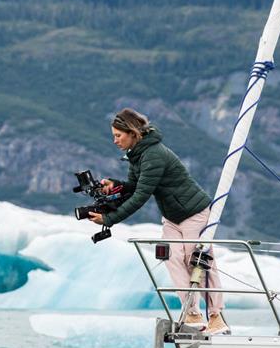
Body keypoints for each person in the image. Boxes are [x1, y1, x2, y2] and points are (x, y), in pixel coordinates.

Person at [88, 108, 229, 335]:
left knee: (198, 260)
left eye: (118, 135)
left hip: (194, 212)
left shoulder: (153, 154)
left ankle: (216, 317)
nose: (114, 140)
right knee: (172, 258)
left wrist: (109, 219)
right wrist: (115, 185)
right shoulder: (137, 155)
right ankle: (192, 312)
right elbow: (134, 186)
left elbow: (141, 196)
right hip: (172, 216)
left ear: (132, 132)